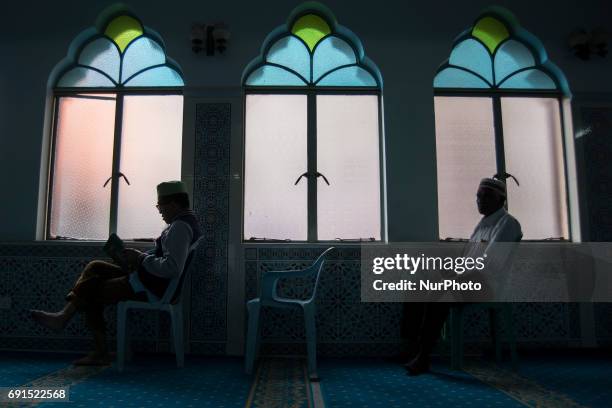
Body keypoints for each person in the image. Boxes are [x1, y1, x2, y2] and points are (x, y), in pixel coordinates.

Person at [30, 181, 201, 365]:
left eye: (161, 206)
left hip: (150, 288)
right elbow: (166, 258)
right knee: (95, 267)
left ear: (174, 204)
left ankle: (95, 347)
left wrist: (140, 259)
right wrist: (138, 258)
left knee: (91, 293)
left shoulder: (180, 227)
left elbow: (172, 268)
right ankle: (64, 317)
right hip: (147, 279)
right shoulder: (183, 222)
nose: (159, 211)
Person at [403, 175, 522, 375]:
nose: (480, 201)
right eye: (478, 197)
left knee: (440, 291)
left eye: (486, 197)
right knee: (418, 284)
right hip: (469, 279)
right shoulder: (482, 224)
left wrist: (454, 277)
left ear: (501, 200)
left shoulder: (508, 224)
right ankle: (408, 348)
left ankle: (423, 357)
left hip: (487, 286)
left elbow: (490, 264)